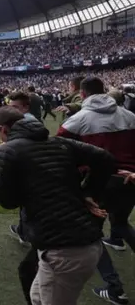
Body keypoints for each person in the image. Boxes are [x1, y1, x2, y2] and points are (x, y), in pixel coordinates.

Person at [0, 106, 114, 305]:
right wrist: (87, 191)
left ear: (3, 129)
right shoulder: (59, 143)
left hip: (65, 249)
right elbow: (105, 159)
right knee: (36, 297)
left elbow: (7, 201)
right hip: (77, 242)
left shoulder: (9, 150)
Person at [56, 76, 135, 304]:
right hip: (130, 180)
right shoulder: (130, 116)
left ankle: (114, 287)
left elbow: (61, 153)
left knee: (92, 235)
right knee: (120, 223)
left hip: (101, 183)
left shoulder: (77, 120)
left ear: (82, 94)